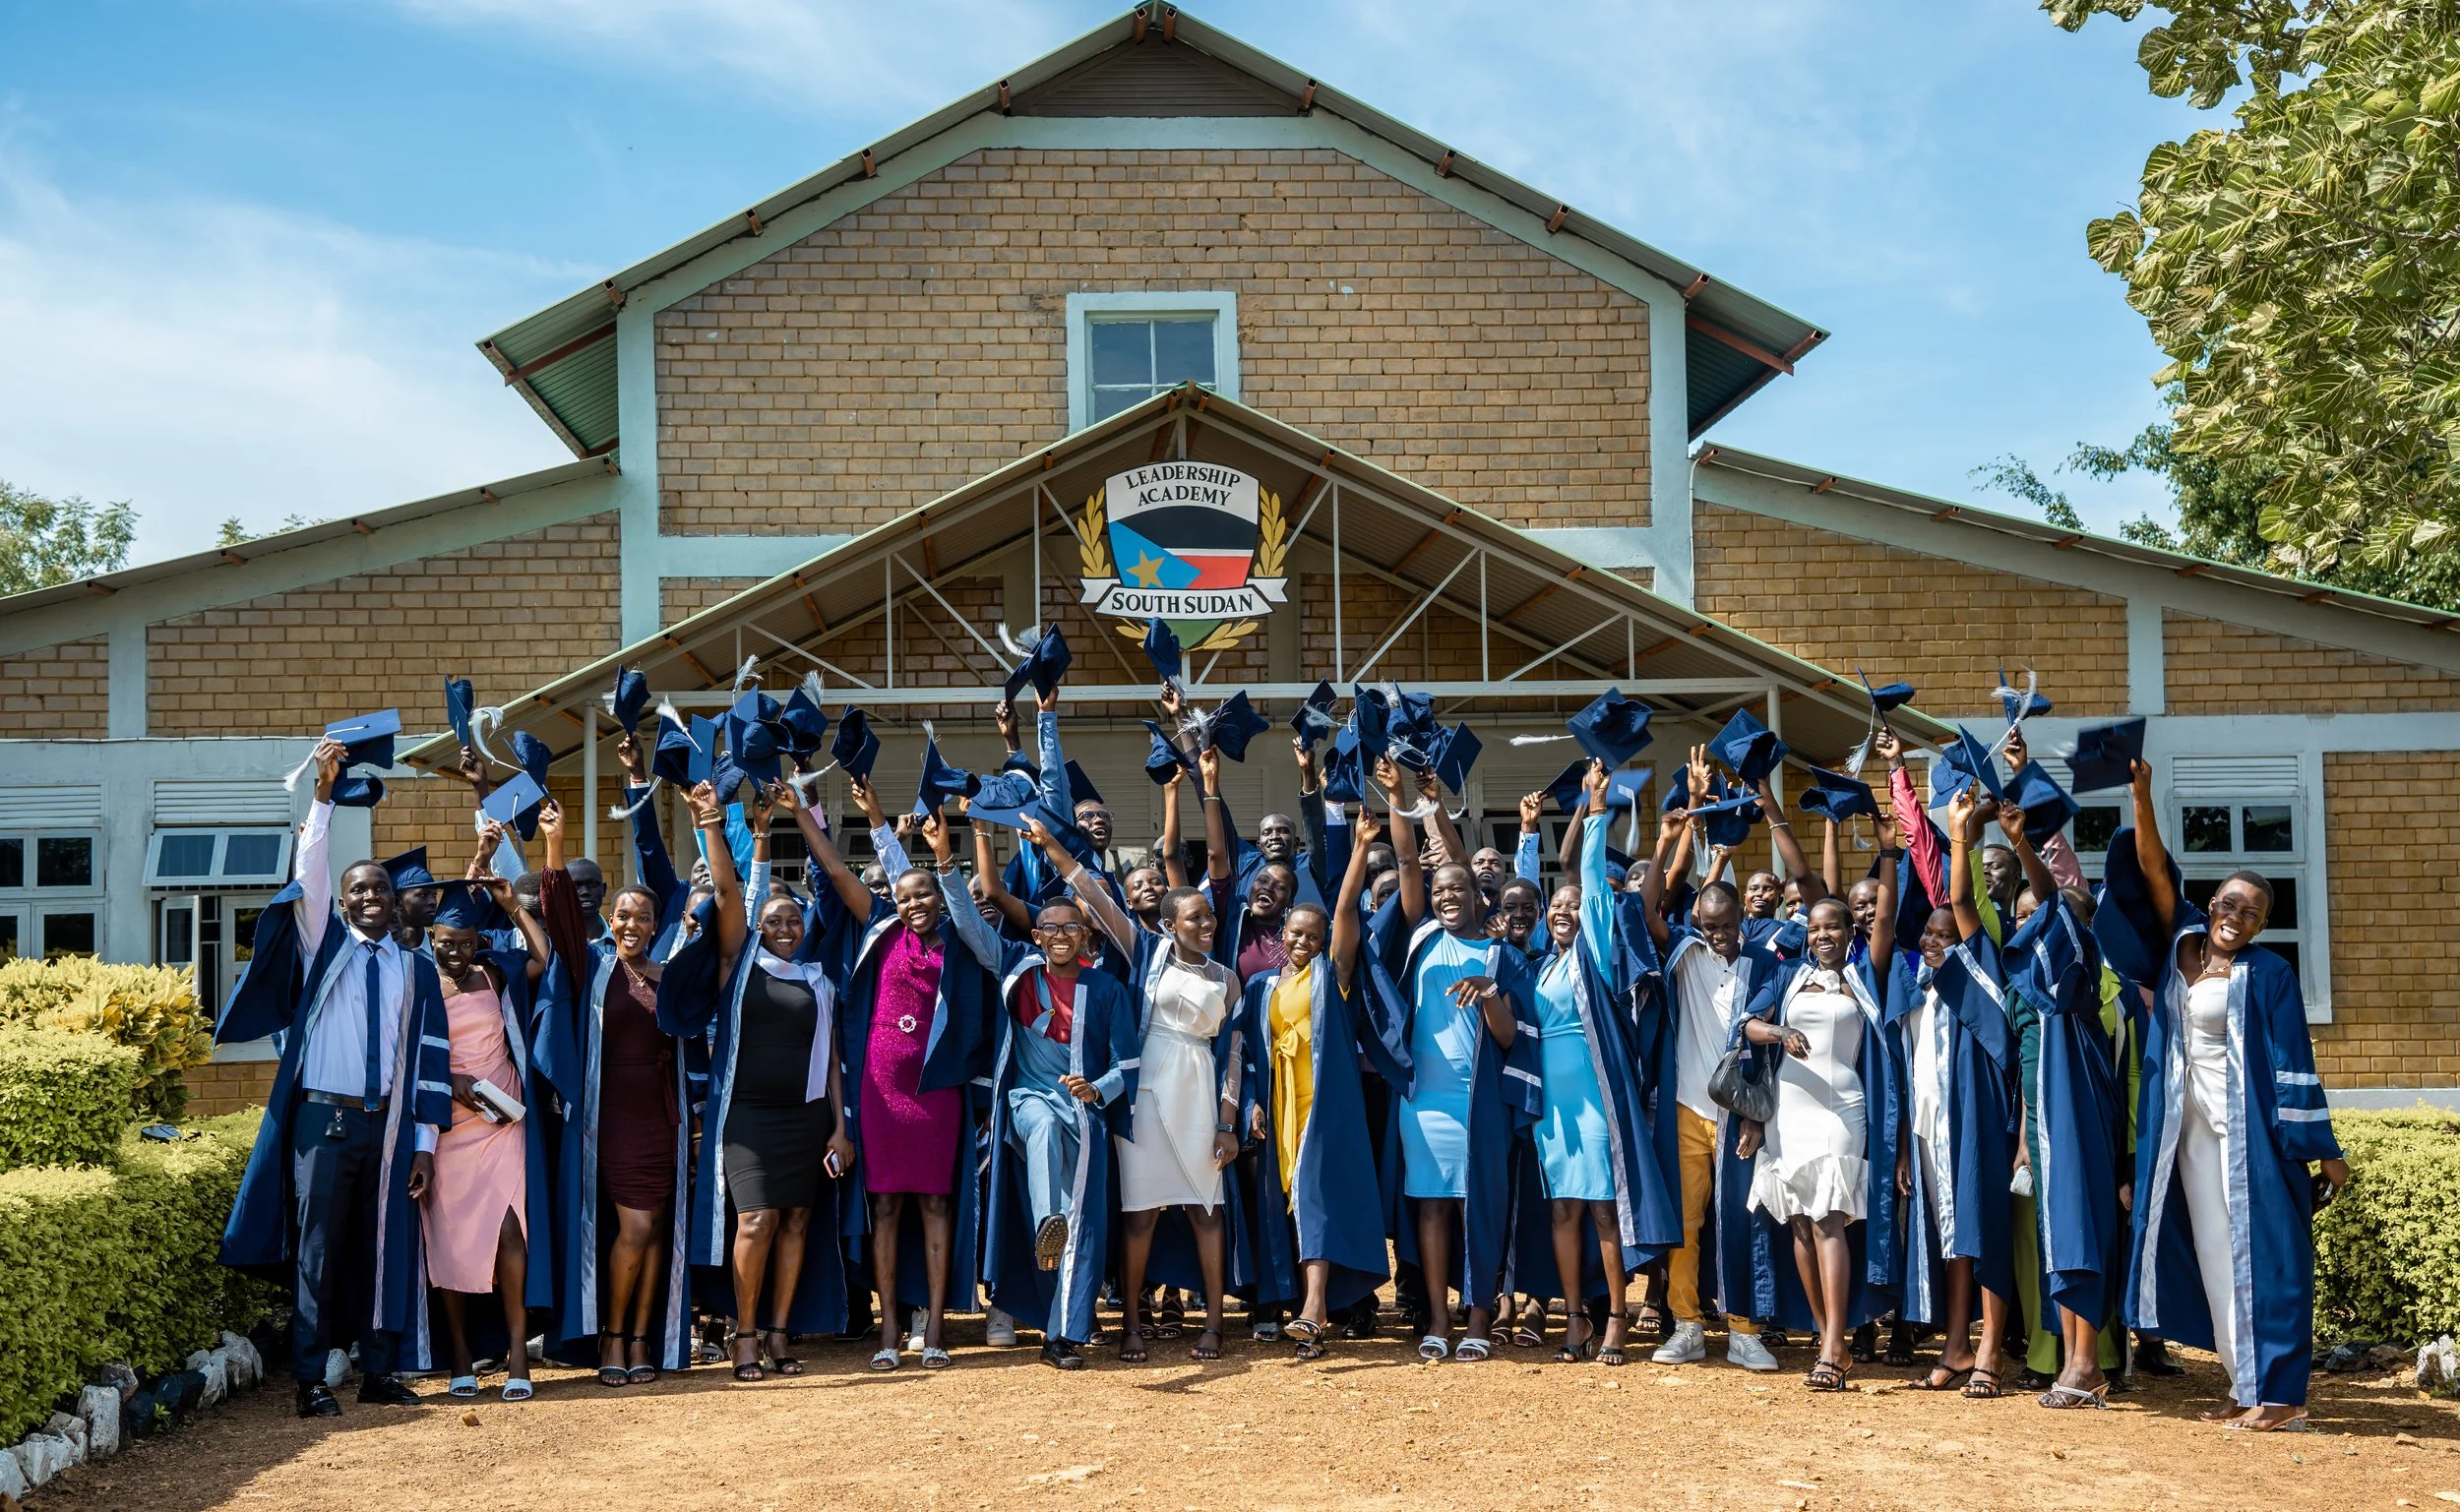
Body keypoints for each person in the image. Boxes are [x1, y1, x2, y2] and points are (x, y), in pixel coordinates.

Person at [2096, 756, 2349, 1431]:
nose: (2238, 916)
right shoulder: (2178, 942)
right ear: (2211, 903)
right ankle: (2244, 1387)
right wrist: (2140, 795)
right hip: (2190, 1135)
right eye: (2231, 902)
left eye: (2254, 911)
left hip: (2252, 1140)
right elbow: (2153, 870)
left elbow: (2297, 1062)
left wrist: (2323, 1152)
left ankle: (2284, 1398)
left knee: (2271, 1262)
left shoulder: (2267, 974)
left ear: (2262, 925)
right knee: (2217, 1257)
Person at [215, 737, 450, 1418]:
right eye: (358, 889)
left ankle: (380, 1372)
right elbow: (310, 874)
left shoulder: (415, 968)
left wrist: (427, 1146)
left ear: (394, 898)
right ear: (343, 903)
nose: (370, 896)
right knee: (318, 1252)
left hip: (390, 1126)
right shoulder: (328, 950)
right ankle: (312, 1380)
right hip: (326, 1119)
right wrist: (322, 794)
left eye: (379, 887)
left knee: (386, 1249)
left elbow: (431, 1060)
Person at [795, 776, 1001, 1371]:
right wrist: (806, 816)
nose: (914, 904)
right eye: (905, 896)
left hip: (935, 1093)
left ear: (939, 899)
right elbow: (837, 873)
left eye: (925, 896)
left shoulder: (959, 943)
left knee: (936, 1206)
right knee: (883, 1209)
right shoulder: (880, 932)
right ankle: (888, 1333)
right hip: (879, 1095)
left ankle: (935, 1328)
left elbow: (964, 900)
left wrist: (938, 851)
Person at [655, 780, 857, 1380]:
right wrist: (719, 826)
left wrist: (841, 1129)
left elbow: (831, 1060)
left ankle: (777, 1336)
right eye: (773, 920)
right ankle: (744, 1335)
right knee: (757, 1219)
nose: (786, 927)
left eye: (794, 919)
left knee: (796, 1220)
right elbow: (725, 890)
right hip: (747, 1118)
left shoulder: (819, 981)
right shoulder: (739, 965)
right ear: (757, 928)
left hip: (809, 1119)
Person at [1066, 755, 1245, 1364]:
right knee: (1140, 1215)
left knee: (1204, 1210)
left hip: (1199, 1091)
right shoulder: (1147, 953)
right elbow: (1092, 893)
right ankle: (1133, 1324)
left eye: (1210, 916)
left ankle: (1215, 1324)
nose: (1207, 923)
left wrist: (1227, 1122)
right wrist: (1056, 851)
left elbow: (1235, 1052)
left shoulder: (1227, 977)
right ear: (1170, 923)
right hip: (1143, 1096)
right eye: (1194, 917)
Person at [1362, 755, 1540, 1363]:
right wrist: (1399, 798)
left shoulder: (1499, 956)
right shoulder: (1418, 936)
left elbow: (1514, 1039)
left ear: (1477, 895)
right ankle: (1438, 1318)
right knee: (1432, 1208)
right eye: (1439, 891)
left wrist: (1489, 997)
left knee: (1480, 1208)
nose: (1445, 897)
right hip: (1424, 1101)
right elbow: (1411, 860)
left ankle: (1480, 1319)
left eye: (1457, 889)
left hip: (1480, 1102)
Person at [1634, 751, 1800, 1372]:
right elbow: (1651, 906)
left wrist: (1757, 1114)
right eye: (1708, 925)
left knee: (1742, 1220)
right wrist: (1675, 832)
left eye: (1728, 925)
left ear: (1744, 921)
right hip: (1684, 1107)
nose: (1718, 936)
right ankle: (1686, 1323)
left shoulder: (1762, 962)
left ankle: (1744, 1327)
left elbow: (1760, 1050)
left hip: (1738, 1114)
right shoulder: (1681, 954)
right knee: (1685, 1223)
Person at [537, 801, 701, 1388]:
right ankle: (610, 1334)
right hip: (613, 1118)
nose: (630, 924)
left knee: (656, 1229)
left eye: (640, 917)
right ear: (609, 920)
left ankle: (639, 1340)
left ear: (655, 926)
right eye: (622, 915)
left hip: (665, 1116)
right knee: (633, 1227)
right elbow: (556, 918)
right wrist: (554, 844)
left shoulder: (668, 977)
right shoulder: (595, 968)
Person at [1518, 760, 1677, 1365]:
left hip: (1594, 1090)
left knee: (1606, 1209)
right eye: (1555, 907)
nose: (1563, 911)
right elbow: (1537, 885)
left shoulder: (1596, 953)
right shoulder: (1543, 964)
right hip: (1551, 1101)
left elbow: (1583, 874)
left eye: (1572, 906)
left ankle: (1616, 1315)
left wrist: (1595, 807)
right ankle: (1575, 1316)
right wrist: (1529, 841)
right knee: (1562, 1206)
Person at [975, 820, 1141, 1369]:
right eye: (1050, 928)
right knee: (1045, 1137)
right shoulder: (1019, 975)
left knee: (1085, 1223)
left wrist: (1098, 1088)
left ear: (1086, 937)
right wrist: (961, 849)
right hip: (1030, 1101)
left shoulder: (1107, 988)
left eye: (1072, 928)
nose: (1062, 936)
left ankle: (1061, 1335)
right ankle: (1050, 1219)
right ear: (1038, 937)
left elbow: (1130, 1062)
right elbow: (973, 921)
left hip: (1086, 1113)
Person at [1227, 805, 1388, 1361]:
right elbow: (1246, 1053)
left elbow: (1345, 913)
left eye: (1312, 936)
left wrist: (1361, 847)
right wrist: (1250, 1103)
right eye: (1295, 933)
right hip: (1279, 1106)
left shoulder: (1331, 977)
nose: (1302, 942)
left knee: (1315, 1199)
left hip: (1322, 1107)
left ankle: (1314, 1310)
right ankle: (1293, 1301)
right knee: (1285, 1204)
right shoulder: (1264, 988)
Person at [1736, 884, 1904, 1391]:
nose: (1823, 934)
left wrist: (1888, 853)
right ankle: (1828, 1335)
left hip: (1841, 1108)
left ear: (1852, 931)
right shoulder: (1789, 975)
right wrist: (1780, 1033)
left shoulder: (1863, 977)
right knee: (1801, 1225)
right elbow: (1747, 1025)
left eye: (1833, 925)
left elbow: (1888, 919)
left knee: (1831, 1218)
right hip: (1789, 1109)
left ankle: (1835, 1344)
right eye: (1814, 928)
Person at [1996, 801, 2129, 1409]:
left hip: (2080, 1129)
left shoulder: (2076, 986)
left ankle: (2084, 1364)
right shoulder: (2042, 1000)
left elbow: (2056, 907)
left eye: (2046, 926)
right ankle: (2077, 1364)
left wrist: (2024, 846)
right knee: (2060, 1238)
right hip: (2050, 1131)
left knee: (2079, 1233)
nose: (2034, 934)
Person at [1888, 787, 2019, 1401]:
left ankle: (1991, 1350)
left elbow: (1960, 898)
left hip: (1978, 1123)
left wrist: (1959, 834)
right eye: (1929, 934)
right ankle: (1956, 1345)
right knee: (1952, 1235)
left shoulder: (1982, 974)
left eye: (1947, 934)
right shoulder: (1920, 994)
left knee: (1983, 1229)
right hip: (1931, 1129)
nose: (1936, 940)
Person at [421, 849, 554, 1403]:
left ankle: (518, 1355)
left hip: (503, 1116)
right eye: (445, 943)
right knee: (448, 1242)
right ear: (431, 939)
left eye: (464, 942)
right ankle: (458, 1357)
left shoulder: (495, 971)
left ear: (479, 940)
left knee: (509, 1232)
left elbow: (545, 959)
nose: (454, 952)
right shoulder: (419, 982)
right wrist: (449, 1083)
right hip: (447, 1125)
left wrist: (511, 907)